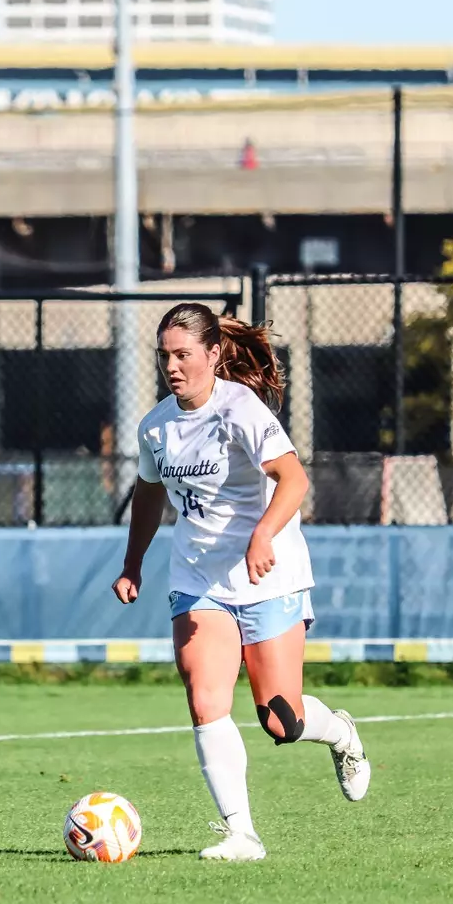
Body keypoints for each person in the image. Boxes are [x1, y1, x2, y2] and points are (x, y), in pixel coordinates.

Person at [112, 303, 369, 864]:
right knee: (205, 699)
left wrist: (263, 536)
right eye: (165, 356)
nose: (173, 367)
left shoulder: (240, 409)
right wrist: (133, 564)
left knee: (282, 718)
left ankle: (342, 733)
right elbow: (150, 493)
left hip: (267, 574)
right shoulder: (156, 426)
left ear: (212, 354)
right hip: (198, 578)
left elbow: (293, 479)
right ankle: (241, 834)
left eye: (184, 355)